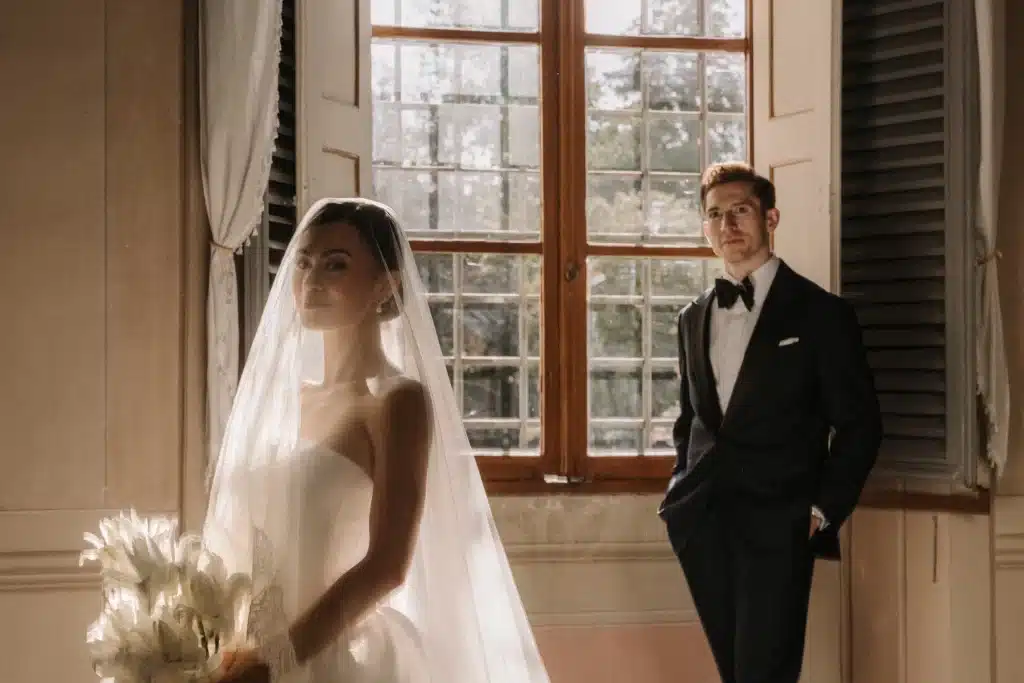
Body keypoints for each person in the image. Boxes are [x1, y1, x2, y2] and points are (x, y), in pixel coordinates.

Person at [202, 199, 551, 683]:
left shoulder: (396, 401)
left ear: (384, 285)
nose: (312, 279)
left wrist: (277, 659)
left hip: (328, 656)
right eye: (303, 262)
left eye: (336, 264)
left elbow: (388, 565)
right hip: (241, 654)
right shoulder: (285, 400)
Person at [658, 163, 882, 683]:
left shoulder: (822, 314)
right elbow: (691, 418)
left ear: (771, 217)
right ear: (705, 228)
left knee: (766, 673)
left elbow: (860, 424)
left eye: (741, 210)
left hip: (780, 522)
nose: (728, 224)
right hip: (703, 521)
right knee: (736, 673)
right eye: (715, 214)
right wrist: (678, 491)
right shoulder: (692, 317)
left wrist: (820, 511)